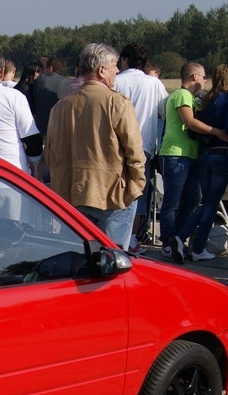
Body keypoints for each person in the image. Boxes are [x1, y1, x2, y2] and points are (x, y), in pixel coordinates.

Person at [45, 43, 146, 249]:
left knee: (82, 258)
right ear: (101, 70)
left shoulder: (60, 107)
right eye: (114, 66)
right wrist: (136, 185)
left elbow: (50, 154)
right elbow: (134, 151)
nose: (117, 70)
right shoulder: (117, 103)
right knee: (114, 259)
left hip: (71, 193)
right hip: (112, 194)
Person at [158, 62, 228, 264]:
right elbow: (189, 121)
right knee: (172, 201)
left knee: (192, 198)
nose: (205, 80)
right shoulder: (182, 95)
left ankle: (178, 237)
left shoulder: (192, 97)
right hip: (175, 154)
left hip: (189, 155)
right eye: (203, 76)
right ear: (193, 77)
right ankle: (167, 241)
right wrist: (216, 132)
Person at [178, 64, 228, 262]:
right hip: (222, 155)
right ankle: (196, 247)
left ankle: (179, 238)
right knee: (211, 204)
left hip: (204, 154)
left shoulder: (207, 98)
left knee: (205, 203)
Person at [113, 43, 168, 254]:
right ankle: (133, 237)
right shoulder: (153, 83)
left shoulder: (115, 81)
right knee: (138, 193)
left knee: (116, 192)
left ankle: (116, 236)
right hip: (143, 145)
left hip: (116, 144)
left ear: (124, 60)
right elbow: (165, 110)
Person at [30, 57, 72, 138]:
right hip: (62, 133)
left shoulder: (38, 82)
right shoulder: (69, 83)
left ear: (50, 68)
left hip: (42, 131)